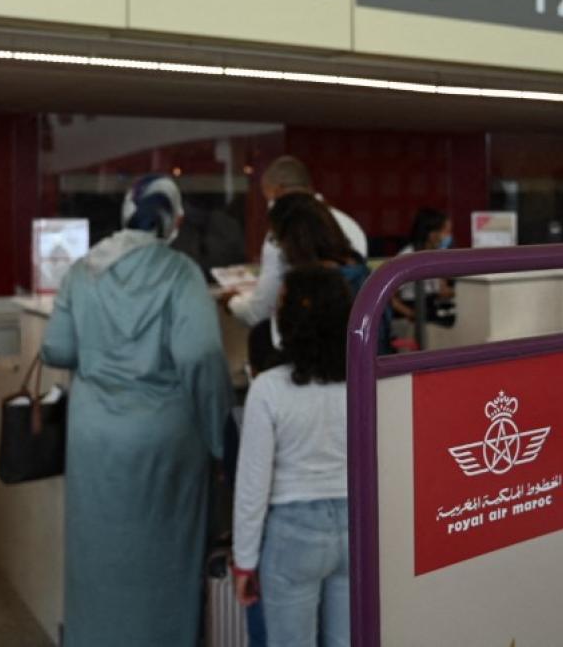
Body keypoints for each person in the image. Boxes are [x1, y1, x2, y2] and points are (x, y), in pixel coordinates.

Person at [42, 174, 234, 647]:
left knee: (96, 553)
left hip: (92, 442)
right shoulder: (180, 273)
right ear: (174, 222)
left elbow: (57, 348)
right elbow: (200, 355)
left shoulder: (83, 270)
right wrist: (220, 435)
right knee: (162, 556)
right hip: (163, 443)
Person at [233, 265, 351, 647]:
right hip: (357, 527)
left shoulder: (268, 389)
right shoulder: (366, 380)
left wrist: (244, 560)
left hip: (292, 532)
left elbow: (253, 485)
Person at [226, 156, 367, 328]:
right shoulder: (350, 226)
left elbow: (261, 311)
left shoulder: (282, 231)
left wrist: (233, 302)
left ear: (277, 192)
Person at [389, 208, 456, 341]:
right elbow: (390, 298)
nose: (449, 236)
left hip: (431, 312)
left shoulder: (435, 255)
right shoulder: (407, 258)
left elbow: (441, 290)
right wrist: (411, 314)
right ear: (431, 233)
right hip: (411, 318)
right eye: (446, 231)